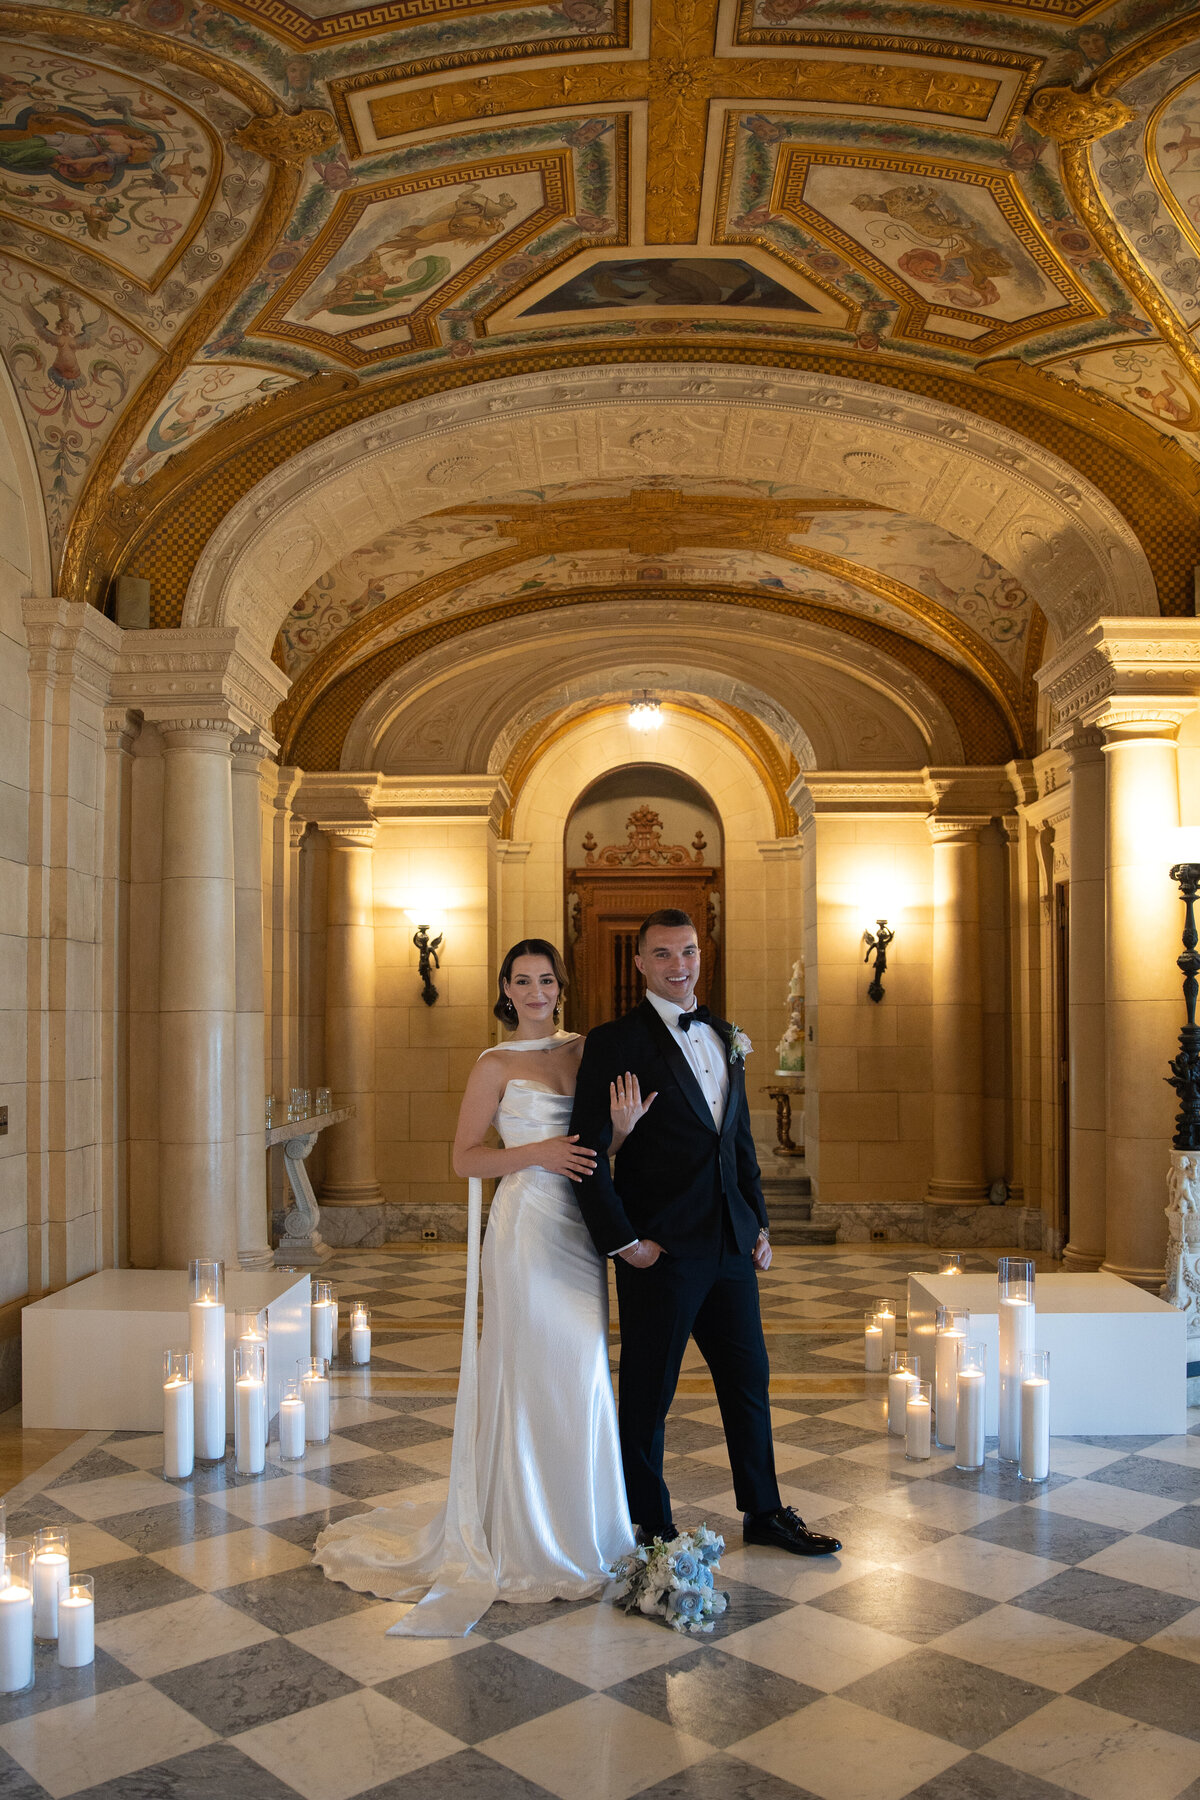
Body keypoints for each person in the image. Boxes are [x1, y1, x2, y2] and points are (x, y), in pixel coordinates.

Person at [314, 939, 643, 1633]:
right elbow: (465, 1158)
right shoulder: (494, 1064)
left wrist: (619, 1131)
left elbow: (590, 1152)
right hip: (524, 1227)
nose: (534, 991)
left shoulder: (585, 1050)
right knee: (527, 1371)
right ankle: (521, 1534)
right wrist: (534, 1152)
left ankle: (582, 1529)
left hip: (579, 1230)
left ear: (561, 986)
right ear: (504, 988)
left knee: (581, 1371)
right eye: (521, 981)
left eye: (545, 979)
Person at [570, 908, 842, 1558]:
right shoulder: (613, 1042)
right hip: (658, 1252)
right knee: (648, 1392)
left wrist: (759, 1223)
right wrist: (624, 1240)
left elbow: (737, 1142)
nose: (678, 966)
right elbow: (584, 1152)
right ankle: (651, 1524)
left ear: (701, 954)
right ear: (639, 963)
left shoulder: (726, 1034)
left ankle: (765, 1511)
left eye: (687, 952)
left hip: (729, 1248)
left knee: (749, 1380)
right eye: (662, 954)